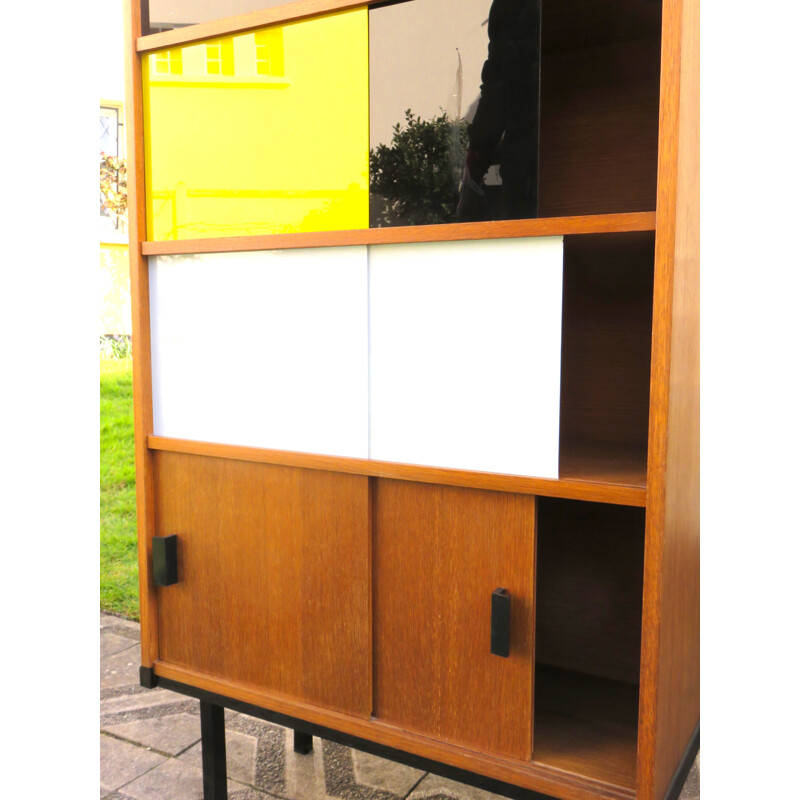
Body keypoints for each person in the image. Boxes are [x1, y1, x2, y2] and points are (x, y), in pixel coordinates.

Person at [457, 0, 541, 221]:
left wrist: (475, 160)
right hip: (529, 167)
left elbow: (498, 84)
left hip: (531, 166)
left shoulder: (512, 7)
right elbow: (498, 82)